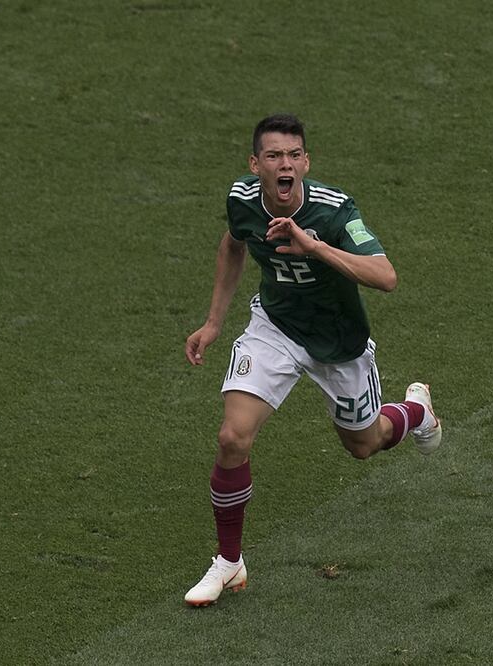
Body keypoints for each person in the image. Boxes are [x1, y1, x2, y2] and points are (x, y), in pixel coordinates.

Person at [182, 114, 442, 606]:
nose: (286, 165)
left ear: (306, 161)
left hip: (339, 343)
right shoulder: (242, 199)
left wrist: (314, 246)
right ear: (255, 164)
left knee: (365, 445)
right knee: (232, 436)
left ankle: (415, 411)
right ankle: (229, 562)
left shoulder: (335, 211)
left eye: (294, 155)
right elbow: (233, 244)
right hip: (275, 329)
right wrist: (215, 321)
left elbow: (386, 276)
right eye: (274, 156)